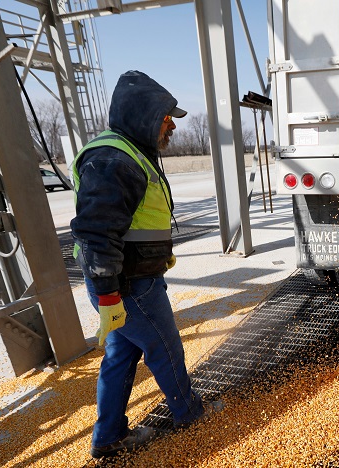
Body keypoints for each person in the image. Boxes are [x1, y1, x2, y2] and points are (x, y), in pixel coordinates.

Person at [71, 70, 221, 459]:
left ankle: (108, 438)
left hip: (131, 281)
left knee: (122, 354)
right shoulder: (112, 160)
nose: (170, 126)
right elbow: (97, 235)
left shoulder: (132, 152)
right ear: (143, 115)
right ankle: (192, 416)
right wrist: (108, 297)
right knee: (166, 349)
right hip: (129, 286)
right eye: (165, 118)